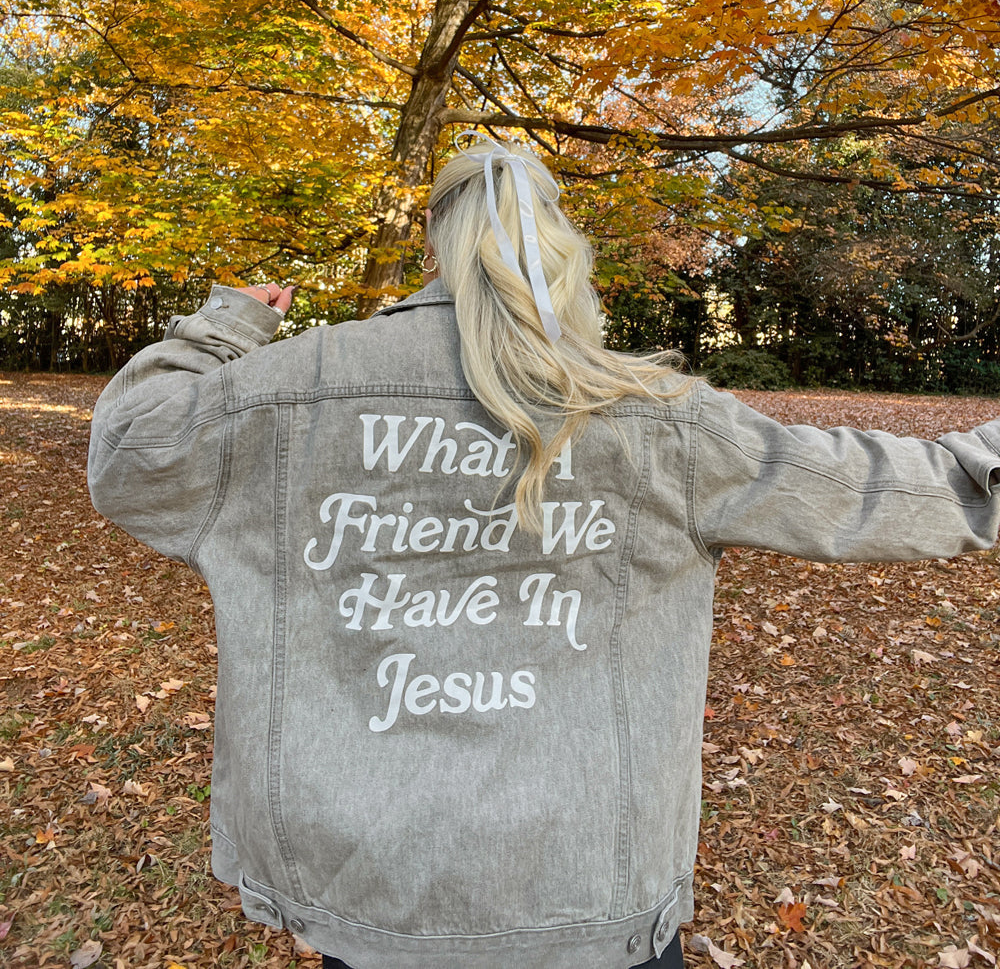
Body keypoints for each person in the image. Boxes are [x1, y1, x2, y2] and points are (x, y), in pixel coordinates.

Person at [87, 136, 1000, 969]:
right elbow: (880, 490)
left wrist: (223, 327)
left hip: (374, 883)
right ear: (560, 233)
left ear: (434, 235)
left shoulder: (292, 389)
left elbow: (131, 449)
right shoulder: (652, 413)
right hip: (583, 889)